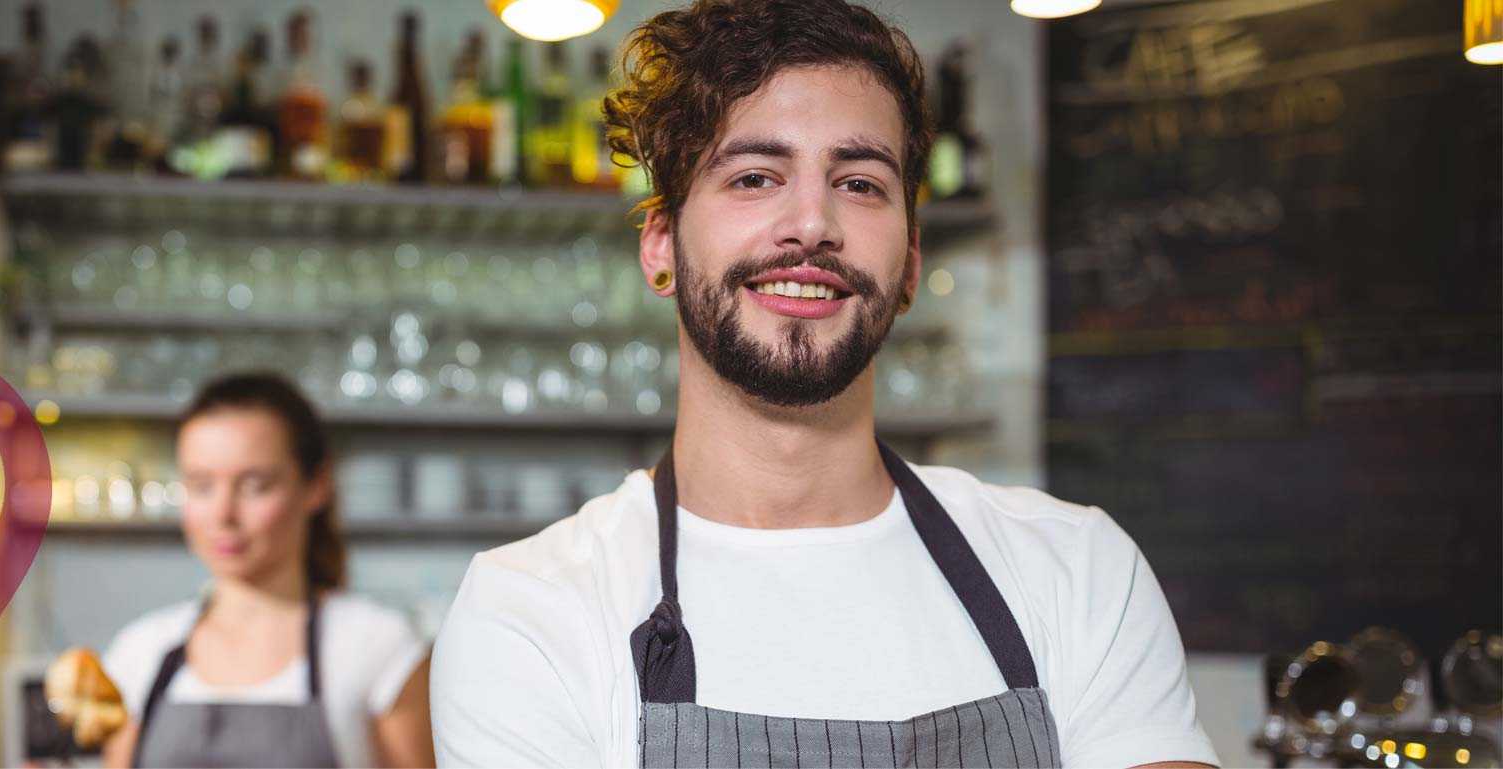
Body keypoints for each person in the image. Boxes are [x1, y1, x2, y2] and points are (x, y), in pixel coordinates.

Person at [429, 1, 1218, 767]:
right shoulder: (531, 612)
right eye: (753, 177)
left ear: (910, 261)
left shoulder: (1077, 569)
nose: (812, 223)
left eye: (861, 183)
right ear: (661, 244)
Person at [101, 373, 435, 768]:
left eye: (254, 485)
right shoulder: (140, 651)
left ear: (316, 485)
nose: (223, 514)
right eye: (202, 485)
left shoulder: (378, 647)